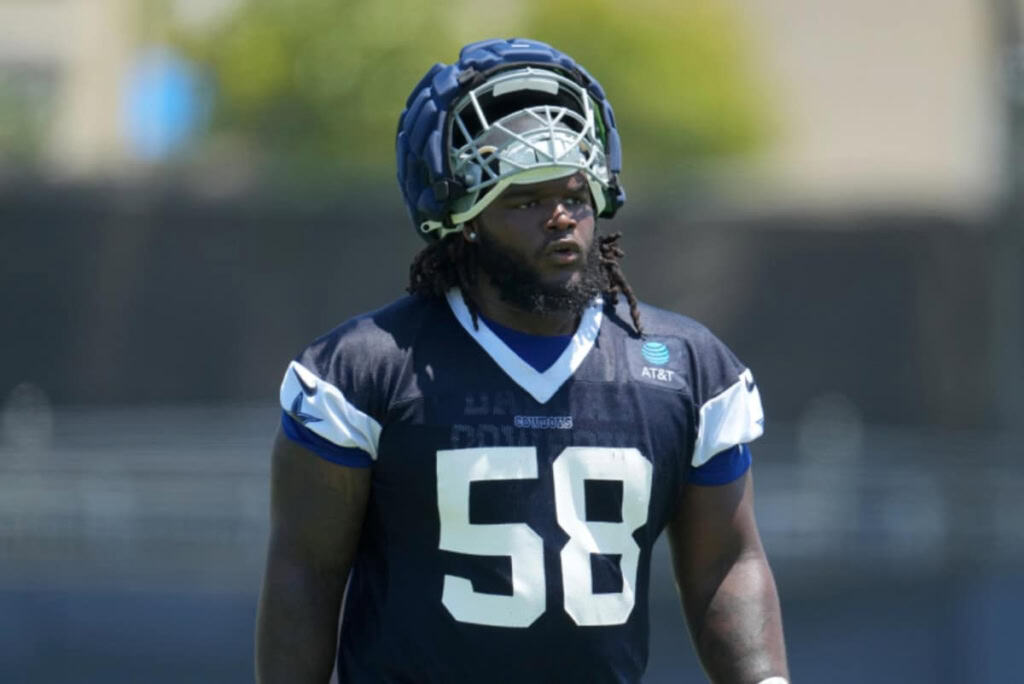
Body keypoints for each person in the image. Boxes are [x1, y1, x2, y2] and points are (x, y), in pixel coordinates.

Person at [256, 38, 788, 684]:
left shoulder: (685, 371)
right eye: (527, 199)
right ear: (464, 218)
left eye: (574, 191)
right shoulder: (367, 372)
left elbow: (725, 565)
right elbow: (305, 574)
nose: (562, 219)